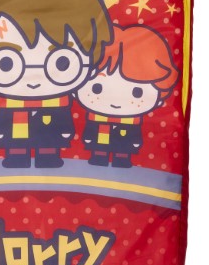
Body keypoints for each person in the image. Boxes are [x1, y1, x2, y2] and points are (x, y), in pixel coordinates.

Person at [0, 0, 113, 168]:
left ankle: (47, 155)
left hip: (51, 129)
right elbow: (2, 121)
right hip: (13, 133)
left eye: (62, 62)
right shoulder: (7, 104)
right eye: (6, 63)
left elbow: (62, 122)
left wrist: (65, 132)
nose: (33, 78)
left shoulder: (58, 103)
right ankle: (16, 156)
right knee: (16, 144)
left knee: (49, 140)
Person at [76, 25, 178, 168]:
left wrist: (135, 142)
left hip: (126, 137)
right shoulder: (95, 118)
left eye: (137, 92)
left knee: (123, 149)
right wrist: (88, 138)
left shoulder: (132, 121)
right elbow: (91, 130)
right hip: (100, 137)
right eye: (96, 88)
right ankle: (99, 157)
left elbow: (134, 135)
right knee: (99, 151)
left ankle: (121, 160)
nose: (115, 101)